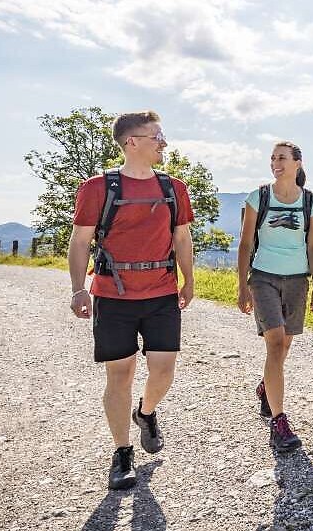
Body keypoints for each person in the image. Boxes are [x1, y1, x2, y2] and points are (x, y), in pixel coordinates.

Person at [68, 110, 195, 490]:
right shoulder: (97, 188)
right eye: (157, 136)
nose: (164, 143)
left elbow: (183, 238)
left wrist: (189, 280)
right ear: (132, 142)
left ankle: (146, 411)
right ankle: (122, 452)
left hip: (161, 291)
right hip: (112, 295)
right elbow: (79, 242)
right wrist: (78, 287)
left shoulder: (174, 188)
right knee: (119, 374)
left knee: (163, 370)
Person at [237, 141, 313, 453]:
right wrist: (242, 284)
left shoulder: (310, 201)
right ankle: (279, 422)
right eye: (273, 158)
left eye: (282, 158)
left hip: (298, 280)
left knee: (285, 345)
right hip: (263, 277)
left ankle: (265, 388)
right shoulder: (258, 197)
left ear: (298, 163)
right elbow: (246, 244)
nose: (276, 163)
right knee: (274, 343)